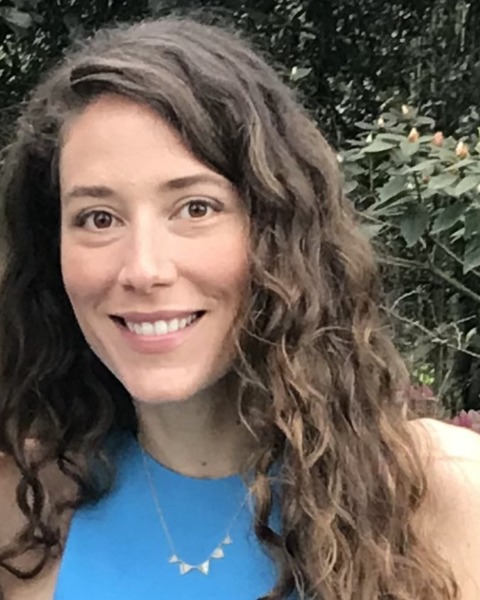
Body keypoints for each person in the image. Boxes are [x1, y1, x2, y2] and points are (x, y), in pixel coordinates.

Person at [0, 16, 479, 600]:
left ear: (277, 231)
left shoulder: (445, 494)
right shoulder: (24, 508)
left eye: (195, 208)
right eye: (98, 218)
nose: (144, 269)